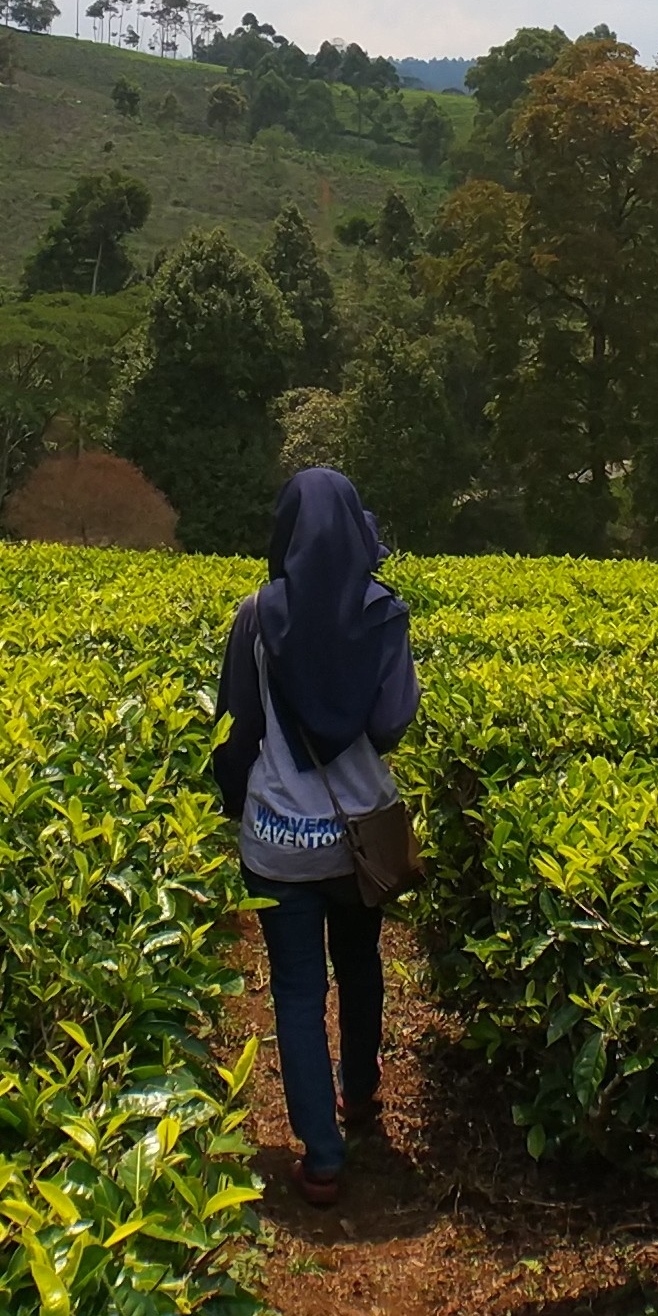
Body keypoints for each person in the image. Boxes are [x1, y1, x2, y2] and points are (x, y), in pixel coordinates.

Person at [210, 466, 420, 1207]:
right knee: (361, 965)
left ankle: (321, 1157)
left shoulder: (256, 614)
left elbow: (237, 727)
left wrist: (234, 807)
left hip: (278, 838)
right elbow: (392, 723)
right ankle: (359, 1094)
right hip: (357, 829)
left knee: (298, 989)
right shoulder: (384, 613)